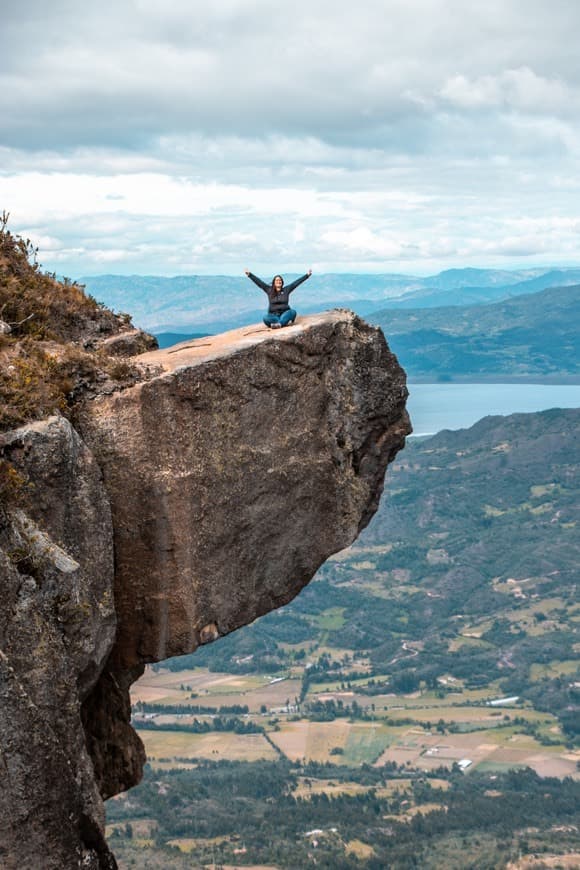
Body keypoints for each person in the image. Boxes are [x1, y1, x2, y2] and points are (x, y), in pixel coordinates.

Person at [245, 269, 312, 328]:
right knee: (265, 318)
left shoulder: (286, 290)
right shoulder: (269, 290)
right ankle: (281, 323)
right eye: (277, 280)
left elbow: (296, 283)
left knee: (292, 312)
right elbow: (259, 283)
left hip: (285, 313)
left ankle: (279, 324)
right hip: (273, 316)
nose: (278, 281)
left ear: (282, 282)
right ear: (274, 282)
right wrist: (250, 275)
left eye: (280, 280)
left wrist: (307, 275)